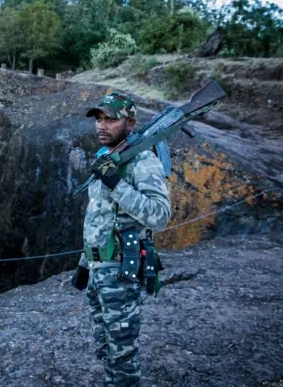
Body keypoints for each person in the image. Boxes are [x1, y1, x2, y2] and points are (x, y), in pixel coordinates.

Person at [72, 91, 171, 387]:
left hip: (120, 272)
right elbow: (98, 218)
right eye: (99, 119)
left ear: (130, 123)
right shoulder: (107, 157)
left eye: (110, 120)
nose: (101, 126)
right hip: (98, 269)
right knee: (105, 349)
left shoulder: (142, 161)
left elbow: (160, 215)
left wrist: (115, 183)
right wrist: (84, 262)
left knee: (123, 356)